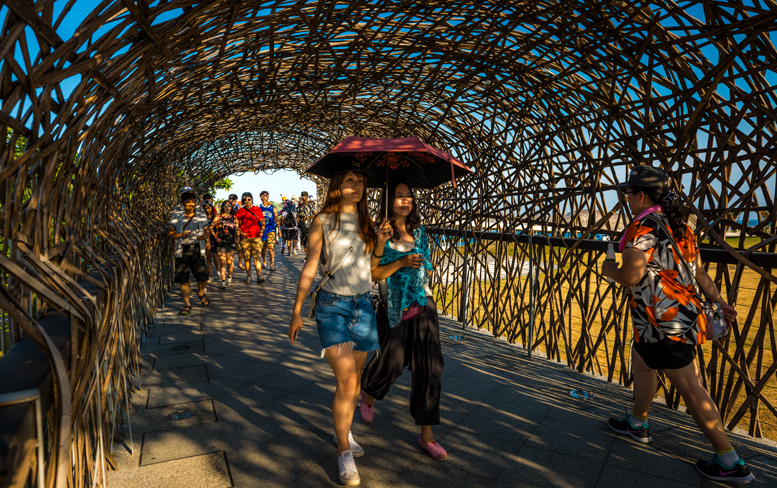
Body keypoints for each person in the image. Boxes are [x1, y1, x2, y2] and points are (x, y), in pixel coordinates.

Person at [602, 165, 754, 483]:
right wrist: (719, 302)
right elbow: (698, 273)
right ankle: (637, 422)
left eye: (628, 194)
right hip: (672, 319)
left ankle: (730, 461)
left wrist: (609, 269)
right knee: (642, 365)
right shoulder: (680, 227)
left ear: (640, 195)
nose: (627, 199)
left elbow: (631, 276)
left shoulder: (643, 226)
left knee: (690, 387)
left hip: (662, 323)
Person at [288, 170, 387, 486]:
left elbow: (373, 269)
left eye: (361, 182)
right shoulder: (322, 221)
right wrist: (297, 310)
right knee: (346, 380)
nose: (357, 186)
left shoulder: (367, 223)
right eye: (350, 181)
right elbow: (311, 265)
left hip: (363, 306)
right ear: (336, 187)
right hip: (333, 307)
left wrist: (382, 242)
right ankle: (344, 450)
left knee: (354, 380)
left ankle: (343, 428)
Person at [360, 181, 447, 461]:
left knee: (431, 369)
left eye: (409, 196)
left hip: (423, 304)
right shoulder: (380, 233)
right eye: (399, 196)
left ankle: (427, 436)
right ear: (388, 201)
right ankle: (369, 391)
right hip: (393, 308)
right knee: (391, 363)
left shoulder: (420, 232)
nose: (405, 200)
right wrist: (397, 258)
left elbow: (426, 264)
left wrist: (422, 267)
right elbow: (373, 274)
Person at [167, 187, 211, 314]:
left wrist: (205, 235)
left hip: (197, 249)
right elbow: (170, 232)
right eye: (187, 200)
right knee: (184, 279)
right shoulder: (177, 214)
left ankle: (200, 293)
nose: (190, 203)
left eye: (192, 200)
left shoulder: (201, 212)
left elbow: (207, 228)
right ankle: (187, 304)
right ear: (182, 202)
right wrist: (181, 234)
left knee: (203, 277)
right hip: (182, 250)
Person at [235, 192, 266, 283]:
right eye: (245, 199)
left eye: (249, 199)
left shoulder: (257, 209)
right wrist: (240, 233)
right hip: (245, 238)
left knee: (257, 257)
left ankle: (259, 276)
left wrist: (262, 230)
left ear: (252, 199)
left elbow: (263, 222)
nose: (247, 201)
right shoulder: (240, 211)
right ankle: (249, 276)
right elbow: (236, 224)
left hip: (256, 237)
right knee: (247, 258)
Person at [210, 201, 239, 289]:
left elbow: (237, 229)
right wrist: (215, 238)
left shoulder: (234, 218)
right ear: (223, 207)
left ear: (231, 207)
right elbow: (211, 227)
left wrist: (238, 237)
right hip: (220, 242)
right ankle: (223, 281)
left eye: (229, 206)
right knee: (223, 262)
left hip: (230, 242)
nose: (227, 207)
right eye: (225, 206)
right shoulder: (218, 217)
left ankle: (229, 278)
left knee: (230, 262)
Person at [259, 191, 279, 271]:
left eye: (265, 196)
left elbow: (277, 219)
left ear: (268, 197)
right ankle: (264, 262)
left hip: (271, 229)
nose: (263, 197)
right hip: (262, 230)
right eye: (262, 196)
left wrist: (279, 230)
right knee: (263, 248)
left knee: (270, 247)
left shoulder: (273, 207)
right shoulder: (259, 207)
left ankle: (272, 264)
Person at [203, 203, 219, 279]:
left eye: (209, 208)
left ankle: (217, 268)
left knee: (215, 255)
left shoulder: (215, 216)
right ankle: (211, 275)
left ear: (212, 208)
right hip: (206, 238)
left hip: (215, 237)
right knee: (208, 257)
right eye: (205, 208)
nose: (207, 210)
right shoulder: (202, 217)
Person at [298, 191, 316, 255]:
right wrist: (299, 216)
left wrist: (308, 217)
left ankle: (310, 255)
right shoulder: (301, 205)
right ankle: (307, 256)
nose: (303, 197)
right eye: (302, 196)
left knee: (310, 242)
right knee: (304, 242)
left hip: (310, 226)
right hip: (303, 226)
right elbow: (298, 213)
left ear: (307, 197)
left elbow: (315, 214)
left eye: (304, 196)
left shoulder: (311, 204)